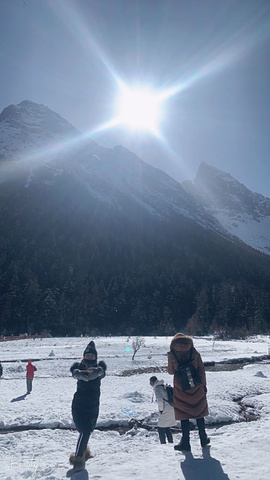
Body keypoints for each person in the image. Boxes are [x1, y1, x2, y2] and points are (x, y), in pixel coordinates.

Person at [67, 340, 107, 476]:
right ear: (84, 356)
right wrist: (81, 374)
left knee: (87, 430)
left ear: (96, 357)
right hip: (79, 403)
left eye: (92, 355)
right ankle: (80, 456)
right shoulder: (78, 366)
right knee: (82, 430)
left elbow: (101, 372)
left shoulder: (100, 367)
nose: (90, 357)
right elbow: (74, 372)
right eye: (87, 355)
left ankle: (80, 456)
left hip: (93, 405)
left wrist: (93, 373)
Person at [168, 333, 210, 451]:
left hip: (181, 388)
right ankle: (203, 438)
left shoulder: (172, 354)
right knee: (199, 412)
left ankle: (185, 442)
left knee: (184, 415)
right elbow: (201, 369)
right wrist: (204, 385)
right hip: (196, 386)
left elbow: (171, 371)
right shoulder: (194, 352)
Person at [150, 375, 176, 444]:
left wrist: (161, 410)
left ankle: (163, 443)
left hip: (166, 409)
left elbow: (160, 401)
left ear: (152, 382)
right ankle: (171, 442)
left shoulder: (157, 389)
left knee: (160, 427)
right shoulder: (162, 386)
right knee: (167, 427)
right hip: (172, 407)